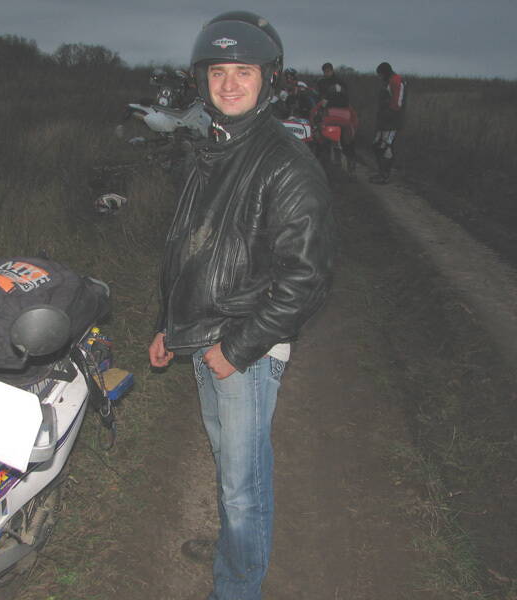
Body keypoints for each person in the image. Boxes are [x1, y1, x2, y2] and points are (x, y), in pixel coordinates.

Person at [148, 11, 334, 600]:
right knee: (230, 461)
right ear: (203, 81)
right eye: (218, 72)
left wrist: (238, 348)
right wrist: (167, 325)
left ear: (267, 80)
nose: (229, 84)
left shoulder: (286, 163)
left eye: (244, 72)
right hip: (205, 334)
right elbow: (187, 247)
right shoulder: (213, 148)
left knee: (242, 484)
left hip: (245, 348)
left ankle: (237, 587)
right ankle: (237, 544)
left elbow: (306, 279)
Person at [370, 61, 406, 184]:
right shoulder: (388, 82)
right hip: (383, 120)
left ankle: (385, 175)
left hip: (392, 121)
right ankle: (382, 173)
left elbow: (397, 104)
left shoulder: (396, 81)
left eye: (380, 74)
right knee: (376, 145)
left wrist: (388, 114)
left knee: (386, 146)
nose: (379, 77)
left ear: (385, 73)